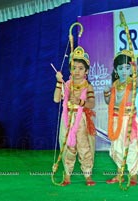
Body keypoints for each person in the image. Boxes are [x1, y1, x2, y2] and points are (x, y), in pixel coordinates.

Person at [53, 46, 96, 186]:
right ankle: (67, 176)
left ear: (87, 71)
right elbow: (56, 99)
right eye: (74, 68)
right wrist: (59, 82)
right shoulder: (67, 84)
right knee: (66, 147)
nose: (76, 71)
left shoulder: (88, 86)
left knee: (84, 147)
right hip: (67, 119)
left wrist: (79, 102)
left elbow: (91, 104)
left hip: (81, 120)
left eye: (80, 68)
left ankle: (88, 175)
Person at [103, 50, 138, 186]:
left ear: (131, 69)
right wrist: (106, 94)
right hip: (115, 120)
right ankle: (119, 174)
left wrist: (135, 70)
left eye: (127, 68)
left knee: (130, 148)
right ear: (116, 70)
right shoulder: (115, 85)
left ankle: (133, 176)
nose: (124, 71)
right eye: (120, 68)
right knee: (117, 148)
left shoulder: (132, 82)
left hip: (129, 120)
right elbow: (109, 102)